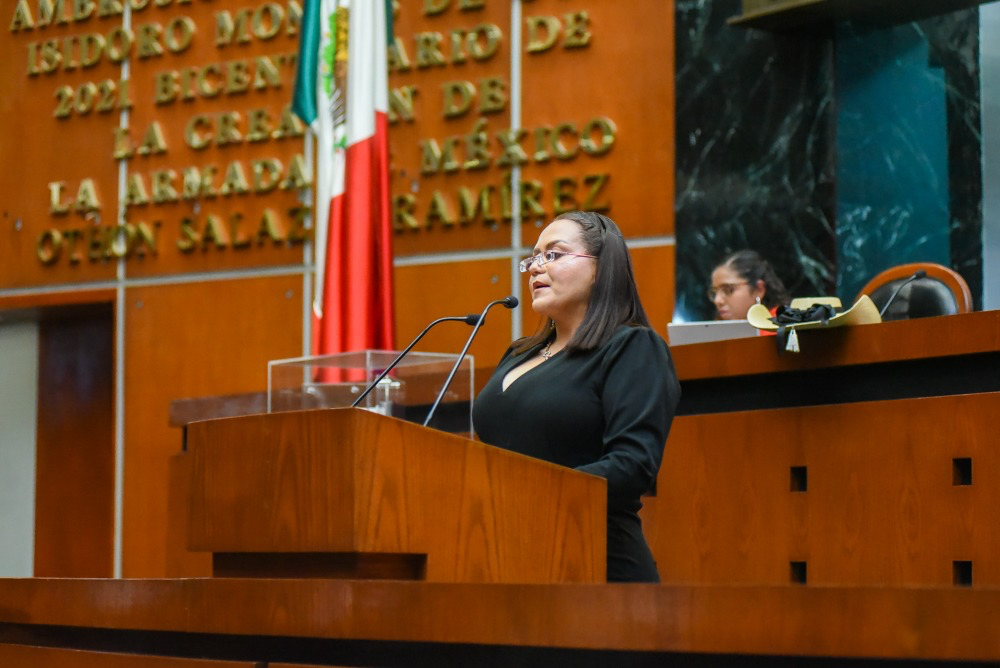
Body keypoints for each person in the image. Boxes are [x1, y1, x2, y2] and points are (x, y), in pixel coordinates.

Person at [472, 211, 680, 583]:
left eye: (553, 254)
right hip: (508, 559)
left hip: (595, 564)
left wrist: (528, 493)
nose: (536, 268)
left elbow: (632, 465)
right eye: (534, 258)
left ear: (601, 268)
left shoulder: (632, 347)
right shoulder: (519, 353)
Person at [709, 249, 790, 320]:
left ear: (759, 289)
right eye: (714, 293)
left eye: (728, 290)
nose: (717, 301)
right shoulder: (715, 329)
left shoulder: (782, 327)